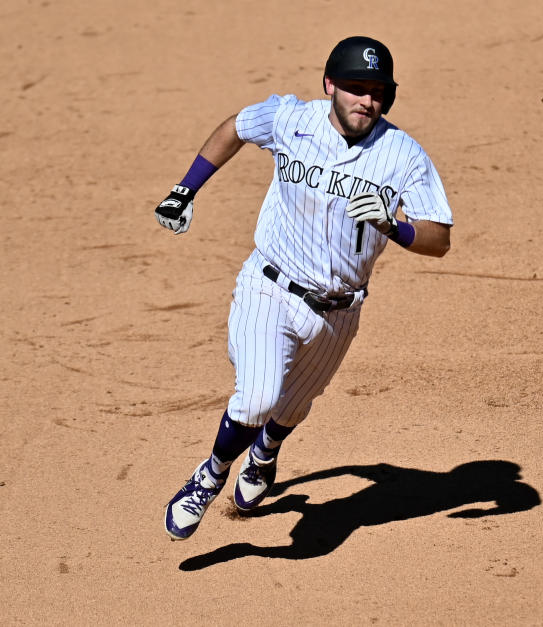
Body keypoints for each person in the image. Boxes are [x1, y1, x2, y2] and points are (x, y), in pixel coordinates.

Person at [154, 35, 454, 540]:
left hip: (338, 312)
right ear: (330, 85)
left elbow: (439, 239)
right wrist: (185, 189)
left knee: (292, 407)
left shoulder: (404, 156)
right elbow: (235, 127)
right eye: (356, 88)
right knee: (255, 398)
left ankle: (266, 451)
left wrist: (395, 226)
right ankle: (208, 477)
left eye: (378, 91)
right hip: (269, 286)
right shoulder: (291, 118)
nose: (367, 100)